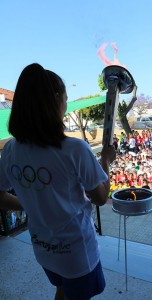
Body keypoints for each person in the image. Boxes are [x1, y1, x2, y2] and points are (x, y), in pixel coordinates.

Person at [0, 63, 116, 300]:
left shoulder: (10, 150)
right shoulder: (74, 149)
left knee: (62, 288)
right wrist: (106, 160)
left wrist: (30, 204)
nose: (66, 102)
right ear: (55, 100)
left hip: (43, 249)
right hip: (76, 253)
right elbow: (101, 197)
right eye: (65, 97)